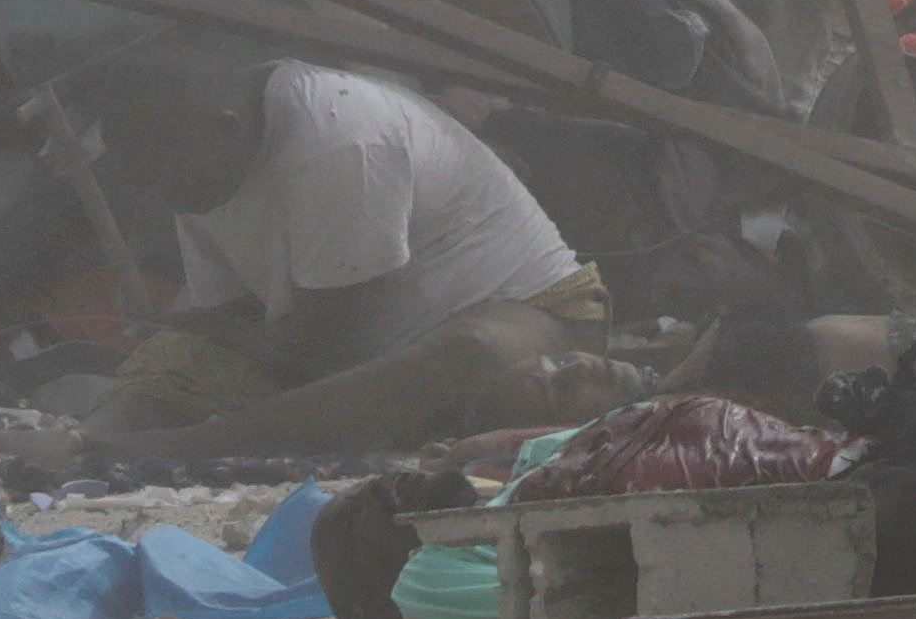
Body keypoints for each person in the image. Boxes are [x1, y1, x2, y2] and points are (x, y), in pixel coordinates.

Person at [76, 55, 631, 460]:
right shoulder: (193, 162)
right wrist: (193, 334)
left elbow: (326, 354)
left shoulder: (341, 139)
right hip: (364, 368)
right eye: (144, 184)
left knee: (469, 348)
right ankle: (74, 446)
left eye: (168, 178)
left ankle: (168, 450)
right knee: (177, 357)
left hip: (538, 324)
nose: (163, 199)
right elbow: (244, 325)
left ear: (226, 130)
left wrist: (214, 334)